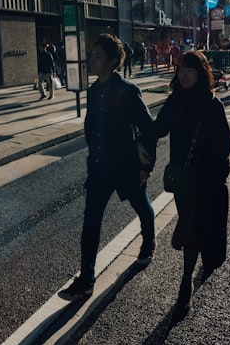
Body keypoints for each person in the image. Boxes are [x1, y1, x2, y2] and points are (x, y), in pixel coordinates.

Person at [60, 34, 157, 300]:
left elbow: (149, 129)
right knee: (90, 223)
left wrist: (146, 164)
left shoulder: (127, 91)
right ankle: (87, 279)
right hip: (100, 169)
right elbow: (91, 125)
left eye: (98, 56)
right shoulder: (93, 91)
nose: (92, 60)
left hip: (126, 166)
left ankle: (148, 242)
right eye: (91, 55)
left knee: (142, 206)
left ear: (113, 61)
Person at [155, 51, 230, 317]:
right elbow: (157, 130)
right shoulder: (174, 102)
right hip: (182, 180)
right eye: (180, 70)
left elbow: (224, 147)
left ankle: (186, 282)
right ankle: (190, 274)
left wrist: (212, 174)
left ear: (201, 73)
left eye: (190, 70)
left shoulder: (212, 105)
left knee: (193, 229)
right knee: (191, 227)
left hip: (205, 181)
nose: (184, 75)